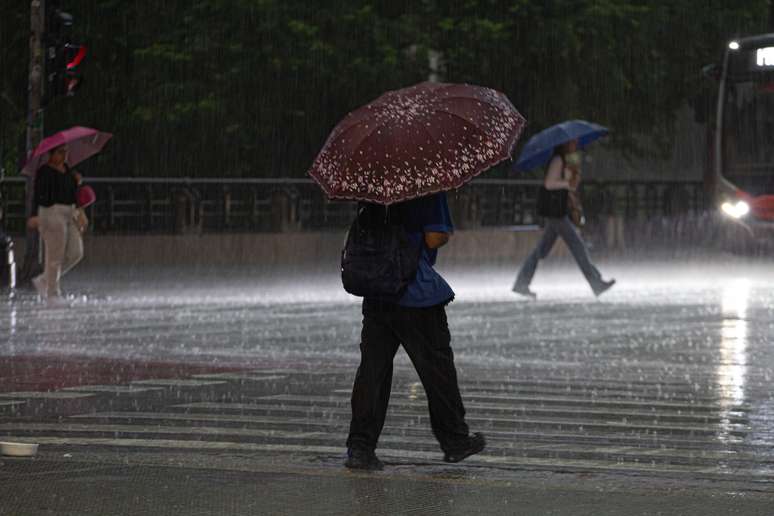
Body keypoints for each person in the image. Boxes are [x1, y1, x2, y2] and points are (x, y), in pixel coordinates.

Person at [345, 192, 485, 470]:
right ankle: (455, 440)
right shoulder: (425, 184)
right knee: (438, 370)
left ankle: (360, 447)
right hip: (415, 292)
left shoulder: (374, 184)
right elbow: (434, 236)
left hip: (378, 291)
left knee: (373, 373)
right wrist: (442, 233)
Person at [512, 139, 615, 299]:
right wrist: (567, 183)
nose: (575, 145)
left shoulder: (563, 160)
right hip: (556, 213)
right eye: (572, 143)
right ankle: (596, 283)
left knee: (541, 251)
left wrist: (570, 182)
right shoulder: (558, 160)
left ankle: (521, 283)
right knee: (578, 247)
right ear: (564, 144)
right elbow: (549, 183)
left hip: (558, 212)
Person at [27, 144, 86, 307]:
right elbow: (38, 195)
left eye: (66, 152)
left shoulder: (69, 171)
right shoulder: (45, 172)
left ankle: (45, 279)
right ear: (51, 154)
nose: (64, 155)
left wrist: (77, 183)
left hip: (70, 213)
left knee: (76, 252)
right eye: (60, 152)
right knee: (55, 255)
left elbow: (74, 197)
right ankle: (53, 294)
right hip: (51, 213)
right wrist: (34, 215)